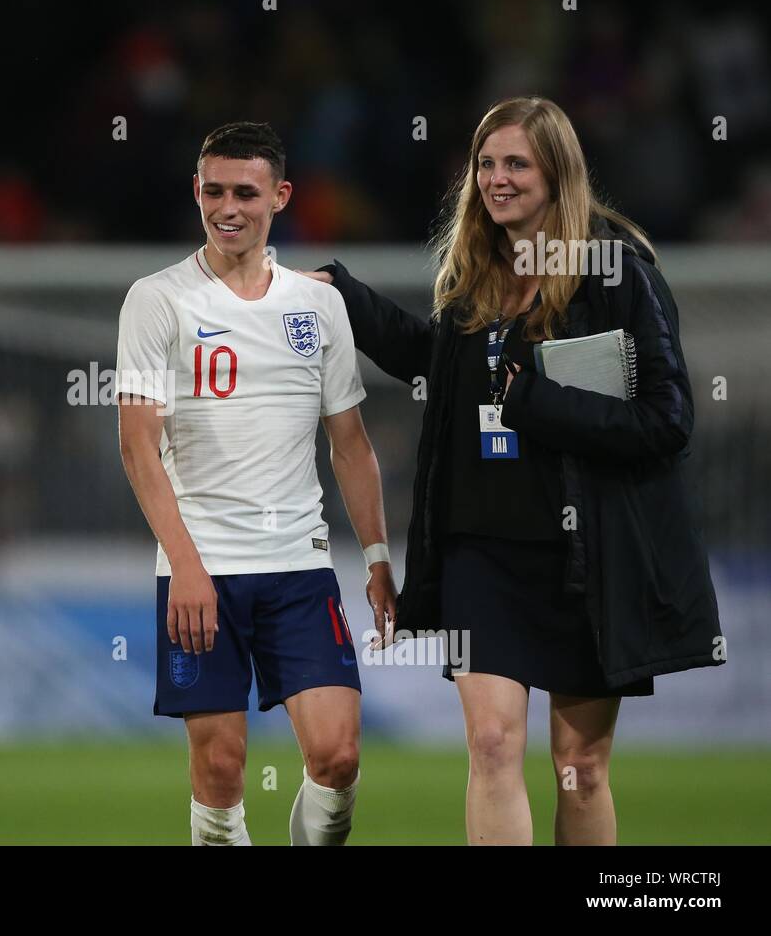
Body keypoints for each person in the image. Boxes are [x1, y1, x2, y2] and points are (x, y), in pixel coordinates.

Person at [305, 96, 723, 845]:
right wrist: (347, 298)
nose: (497, 179)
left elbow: (668, 420)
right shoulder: (477, 272)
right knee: (493, 745)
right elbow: (441, 367)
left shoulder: (616, 270)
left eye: (516, 164)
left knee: (580, 766)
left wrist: (539, 402)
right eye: (487, 164)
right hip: (481, 553)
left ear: (558, 173)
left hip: (587, 559)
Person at [116, 122, 397, 846]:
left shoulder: (318, 305)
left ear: (281, 195)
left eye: (246, 191)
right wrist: (184, 565)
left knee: (337, 756)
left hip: (299, 567)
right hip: (200, 564)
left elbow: (352, 447)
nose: (228, 206)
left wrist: (375, 558)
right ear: (196, 192)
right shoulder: (157, 300)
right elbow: (139, 447)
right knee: (221, 768)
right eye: (213, 190)